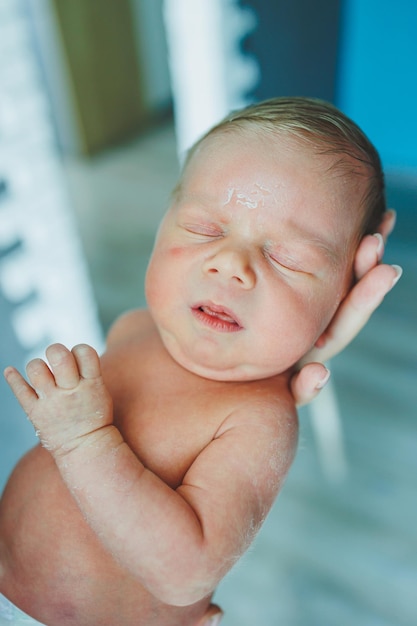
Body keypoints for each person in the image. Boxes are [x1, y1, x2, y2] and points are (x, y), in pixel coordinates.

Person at [0, 97, 401, 626]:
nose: (232, 264)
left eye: (288, 258)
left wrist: (83, 441)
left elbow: (184, 574)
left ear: (339, 302)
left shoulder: (258, 419)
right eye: (206, 228)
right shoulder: (134, 327)